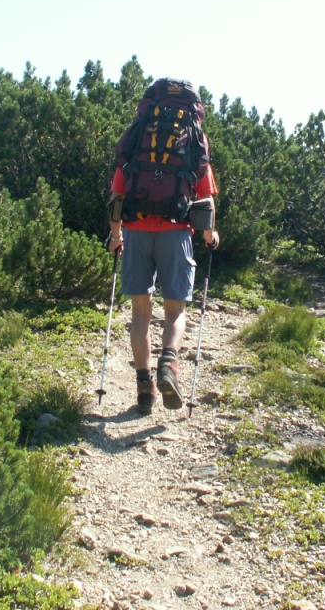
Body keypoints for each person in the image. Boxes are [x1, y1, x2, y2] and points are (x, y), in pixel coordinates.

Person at [106, 82, 219, 416]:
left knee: (140, 314)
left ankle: (144, 388)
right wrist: (210, 235)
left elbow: (117, 195)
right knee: (175, 311)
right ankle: (168, 365)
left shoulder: (137, 135)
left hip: (136, 231)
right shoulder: (194, 137)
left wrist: (116, 236)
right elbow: (205, 198)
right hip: (176, 232)